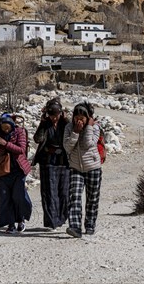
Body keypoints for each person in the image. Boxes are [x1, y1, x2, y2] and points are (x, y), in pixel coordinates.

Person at [63, 101, 102, 238]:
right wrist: (75, 132)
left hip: (93, 167)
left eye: (82, 117)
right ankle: (75, 226)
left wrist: (87, 128)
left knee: (92, 198)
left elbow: (87, 144)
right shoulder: (69, 128)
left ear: (88, 118)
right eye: (76, 117)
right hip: (75, 168)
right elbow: (67, 147)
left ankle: (90, 224)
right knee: (75, 197)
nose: (79, 120)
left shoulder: (95, 128)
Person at [0, 113, 32, 234]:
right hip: (3, 170)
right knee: (5, 197)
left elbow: (21, 149)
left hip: (18, 169)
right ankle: (10, 224)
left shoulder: (19, 132)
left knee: (18, 196)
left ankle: (21, 220)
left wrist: (6, 144)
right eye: (3, 127)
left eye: (7, 127)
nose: (5, 129)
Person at [32, 98, 70, 230]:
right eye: (52, 115)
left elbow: (73, 133)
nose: (55, 118)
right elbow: (38, 139)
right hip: (48, 162)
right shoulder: (46, 123)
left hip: (63, 162)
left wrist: (66, 120)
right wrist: (42, 124)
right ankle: (52, 221)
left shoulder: (65, 124)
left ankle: (62, 218)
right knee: (49, 192)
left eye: (57, 115)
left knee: (64, 192)